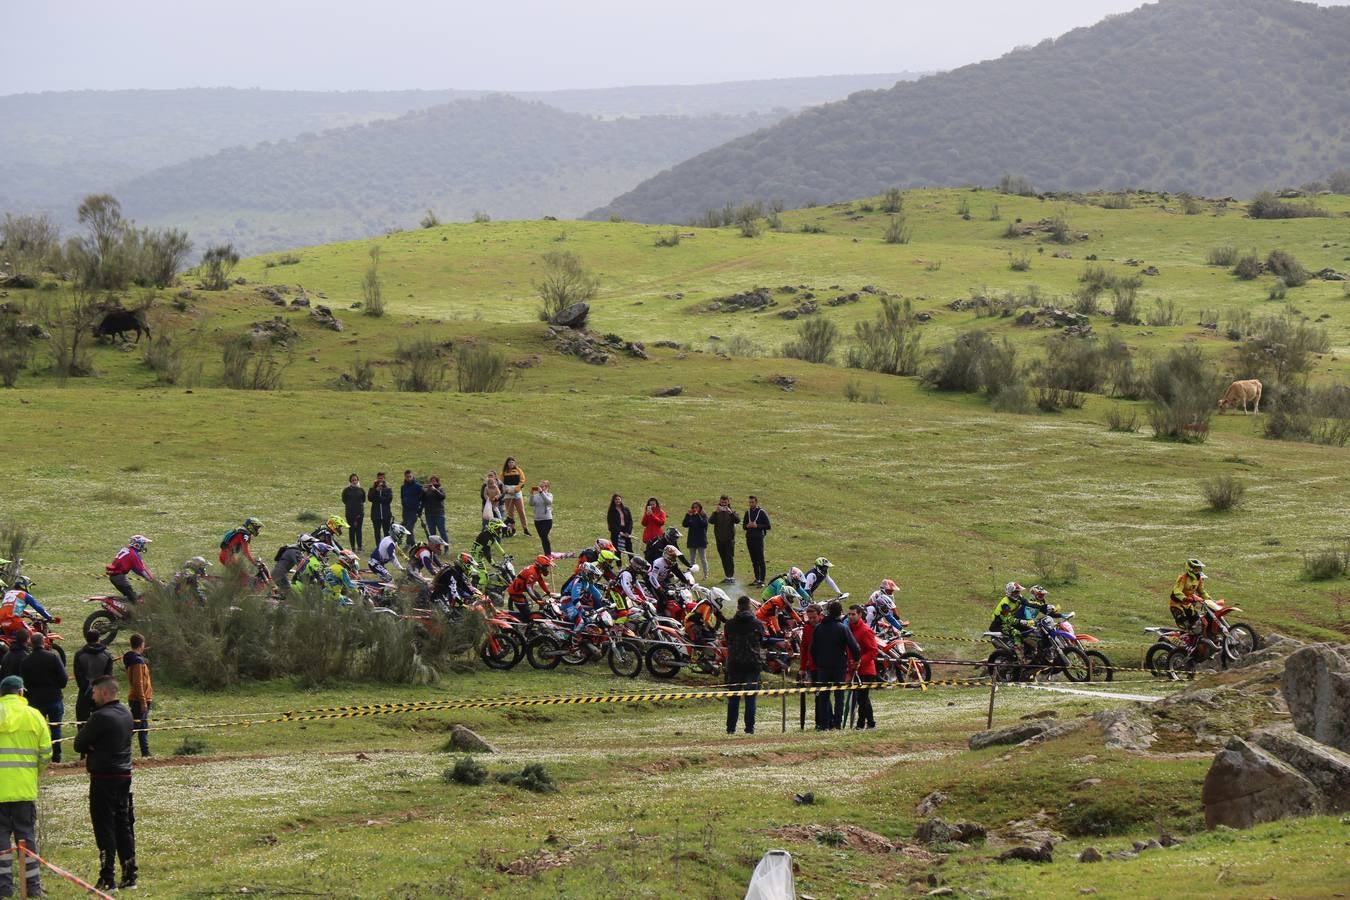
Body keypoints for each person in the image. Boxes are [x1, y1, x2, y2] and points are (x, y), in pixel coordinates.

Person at [73, 674, 137, 892]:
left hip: (103, 777)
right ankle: (130, 875)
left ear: (104, 692)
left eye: (94, 692)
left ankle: (107, 878)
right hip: (124, 774)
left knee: (104, 827)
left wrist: (94, 746)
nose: (92, 696)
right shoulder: (126, 713)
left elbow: (79, 743)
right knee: (123, 824)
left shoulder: (100, 717)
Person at [0, 674, 53, 900]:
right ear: (21, 692)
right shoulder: (34, 716)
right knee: (27, 837)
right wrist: (33, 773)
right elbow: (46, 753)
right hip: (24, 788)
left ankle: (3, 888)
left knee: (1, 841)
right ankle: (33, 887)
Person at [809, 600, 859, 729]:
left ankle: (824, 724)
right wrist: (856, 661)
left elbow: (812, 649)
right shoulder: (843, 628)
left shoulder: (818, 628)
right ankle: (837, 724)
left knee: (823, 697)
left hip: (822, 667)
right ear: (840, 614)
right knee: (839, 696)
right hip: (839, 666)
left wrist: (818, 661)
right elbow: (855, 647)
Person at [21, 634, 67, 763]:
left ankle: (38, 756)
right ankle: (56, 757)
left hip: (36, 700)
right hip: (54, 698)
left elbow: (24, 682)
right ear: (43, 642)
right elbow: (63, 680)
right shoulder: (53, 657)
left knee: (37, 730)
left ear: (31, 643)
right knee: (56, 728)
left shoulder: (26, 661)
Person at [724, 596, 764, 735]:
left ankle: (730, 729)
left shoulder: (729, 624)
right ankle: (749, 728)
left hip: (734, 664)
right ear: (749, 607)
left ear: (738, 607)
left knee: (733, 698)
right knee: (750, 697)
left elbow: (727, 639)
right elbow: (761, 640)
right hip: (752, 664)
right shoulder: (757, 624)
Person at [990, 582, 1051, 660]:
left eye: (1018, 592)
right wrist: (1021, 621)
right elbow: (1008, 619)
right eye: (1015, 592)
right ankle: (1020, 658)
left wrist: (1044, 606)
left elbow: (1029, 603)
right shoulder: (1005, 604)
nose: (1018, 594)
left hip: (1009, 622)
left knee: (1030, 631)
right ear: (1010, 592)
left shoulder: (1019, 598)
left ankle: (1030, 652)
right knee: (1016, 633)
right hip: (999, 624)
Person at [73, 630, 114, 727]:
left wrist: (86, 688)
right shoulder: (107, 655)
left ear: (86, 639)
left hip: (85, 691)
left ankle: (84, 741)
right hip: (102, 693)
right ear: (98, 639)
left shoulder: (79, 655)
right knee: (101, 723)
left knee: (82, 722)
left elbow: (79, 675)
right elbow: (108, 676)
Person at [122, 634, 153, 758]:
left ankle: (145, 752)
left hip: (139, 698)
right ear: (142, 644)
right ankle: (118, 747)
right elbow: (138, 682)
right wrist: (143, 701)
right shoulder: (137, 661)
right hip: (139, 699)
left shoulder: (132, 658)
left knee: (143, 726)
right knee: (135, 726)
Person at [847, 606, 878, 729]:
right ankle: (871, 723)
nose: (850, 616)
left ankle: (860, 724)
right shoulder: (848, 629)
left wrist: (859, 661)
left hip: (866, 670)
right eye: (849, 614)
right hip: (855, 670)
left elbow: (873, 651)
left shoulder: (865, 630)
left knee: (862, 698)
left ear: (860, 615)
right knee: (863, 699)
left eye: (853, 614)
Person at [106, 535, 156, 605]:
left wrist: (151, 578)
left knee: (130, 598)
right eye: (143, 544)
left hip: (115, 577)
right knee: (135, 601)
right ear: (138, 544)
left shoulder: (127, 549)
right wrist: (154, 582)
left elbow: (137, 569)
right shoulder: (133, 555)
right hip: (119, 578)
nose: (144, 546)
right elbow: (143, 571)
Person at [0, 576, 51, 643]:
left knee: (11, 641)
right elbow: (38, 607)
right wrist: (49, 617)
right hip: (14, 620)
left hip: (3, 621)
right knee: (33, 638)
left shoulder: (8, 593)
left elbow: (12, 608)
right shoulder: (24, 595)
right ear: (24, 586)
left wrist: (28, 615)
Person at [507, 555, 554, 620]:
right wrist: (536, 600)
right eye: (545, 567)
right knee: (527, 615)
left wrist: (548, 592)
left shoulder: (536, 570)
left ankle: (539, 611)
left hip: (521, 589)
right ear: (540, 566)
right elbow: (528, 587)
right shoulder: (532, 573)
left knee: (538, 597)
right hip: (515, 592)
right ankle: (510, 618)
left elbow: (541, 582)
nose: (546, 569)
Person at [1170, 558, 1211, 633]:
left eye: (1199, 568)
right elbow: (1177, 591)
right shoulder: (1183, 578)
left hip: (1188, 604)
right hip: (1177, 604)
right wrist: (1185, 598)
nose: (1198, 570)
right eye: (1196, 568)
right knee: (1185, 624)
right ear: (1190, 568)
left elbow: (1201, 591)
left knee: (1197, 622)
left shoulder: (1199, 579)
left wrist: (1209, 599)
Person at [799, 604, 823, 729]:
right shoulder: (807, 628)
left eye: (814, 617)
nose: (812, 620)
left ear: (820, 615)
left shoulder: (825, 627)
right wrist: (802, 667)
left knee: (822, 696)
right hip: (812, 667)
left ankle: (825, 721)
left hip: (824, 666)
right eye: (810, 618)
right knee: (818, 695)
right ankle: (819, 722)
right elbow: (803, 648)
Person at [708, 495, 740, 585]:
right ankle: (727, 576)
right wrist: (715, 512)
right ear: (720, 502)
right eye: (722, 502)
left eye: (725, 503)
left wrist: (731, 513)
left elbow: (738, 520)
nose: (724, 504)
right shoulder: (717, 512)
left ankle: (731, 577)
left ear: (728, 502)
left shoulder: (732, 512)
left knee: (729, 558)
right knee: (723, 558)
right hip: (719, 540)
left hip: (729, 540)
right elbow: (710, 521)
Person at [743, 495, 771, 587]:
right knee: (754, 560)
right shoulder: (748, 512)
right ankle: (757, 578)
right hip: (749, 538)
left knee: (760, 559)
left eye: (752, 502)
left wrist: (757, 526)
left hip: (759, 538)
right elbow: (744, 526)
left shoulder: (761, 512)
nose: (751, 504)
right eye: (750, 502)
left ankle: (762, 580)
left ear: (756, 502)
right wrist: (748, 526)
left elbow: (768, 526)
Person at [500, 458, 529, 536]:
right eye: (509, 462)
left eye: (512, 462)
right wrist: (506, 490)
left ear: (514, 463)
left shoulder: (519, 471)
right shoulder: (504, 472)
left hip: (517, 493)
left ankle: (525, 529)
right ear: (507, 463)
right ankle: (513, 529)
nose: (511, 464)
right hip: (508, 493)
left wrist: (515, 490)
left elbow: (522, 481)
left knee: (521, 511)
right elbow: (501, 483)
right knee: (510, 512)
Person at [682, 502, 710, 578]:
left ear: (700, 508)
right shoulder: (691, 516)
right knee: (692, 558)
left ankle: (705, 574)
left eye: (696, 507)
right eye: (693, 507)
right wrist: (688, 515)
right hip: (692, 540)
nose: (695, 509)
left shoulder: (703, 516)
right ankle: (691, 575)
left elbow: (704, 524)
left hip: (701, 540)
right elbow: (684, 524)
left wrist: (697, 515)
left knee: (703, 558)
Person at [342, 473, 367, 552]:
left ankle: (359, 547)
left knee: (359, 530)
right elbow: (344, 500)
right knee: (351, 530)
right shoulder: (346, 490)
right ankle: (353, 547)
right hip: (350, 514)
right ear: (350, 481)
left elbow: (363, 500)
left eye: (356, 480)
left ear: (358, 480)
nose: (354, 481)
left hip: (359, 514)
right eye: (353, 480)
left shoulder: (361, 490)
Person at [368, 472, 394, 544]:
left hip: (386, 515)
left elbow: (388, 500)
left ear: (384, 479)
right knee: (377, 532)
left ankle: (386, 545)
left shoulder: (388, 489)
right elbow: (370, 498)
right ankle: (378, 546)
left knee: (386, 532)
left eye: (381, 478)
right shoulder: (372, 489)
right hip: (376, 515)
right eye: (379, 478)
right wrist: (376, 491)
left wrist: (378, 498)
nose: (380, 480)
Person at [530, 481, 554, 555]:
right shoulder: (536, 495)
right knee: (543, 538)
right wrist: (532, 495)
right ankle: (547, 553)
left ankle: (548, 554)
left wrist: (541, 493)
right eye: (539, 486)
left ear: (547, 487)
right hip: (537, 520)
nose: (540, 488)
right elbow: (531, 503)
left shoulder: (549, 495)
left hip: (547, 519)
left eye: (542, 486)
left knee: (544, 536)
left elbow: (548, 502)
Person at [399, 470, 423, 546]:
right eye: (407, 477)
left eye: (410, 476)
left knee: (409, 527)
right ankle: (410, 544)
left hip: (414, 511)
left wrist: (419, 510)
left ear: (412, 476)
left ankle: (410, 544)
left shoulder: (418, 487)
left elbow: (422, 499)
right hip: (405, 511)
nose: (408, 478)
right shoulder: (403, 487)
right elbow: (402, 497)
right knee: (405, 527)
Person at [423, 475, 447, 541]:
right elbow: (423, 500)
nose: (432, 483)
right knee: (432, 534)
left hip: (439, 514)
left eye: (434, 481)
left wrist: (435, 490)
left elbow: (442, 497)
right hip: (429, 514)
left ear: (437, 482)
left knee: (442, 531)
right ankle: (435, 548)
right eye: (431, 481)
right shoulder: (426, 491)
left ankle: (446, 546)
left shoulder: (440, 489)